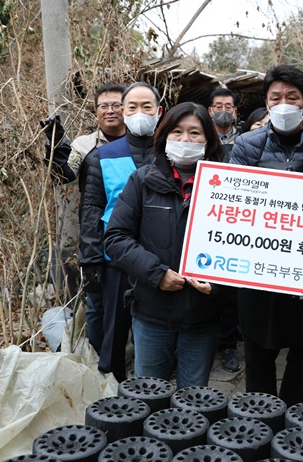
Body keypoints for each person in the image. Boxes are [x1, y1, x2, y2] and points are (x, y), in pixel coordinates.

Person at [229, 64, 303, 407]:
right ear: (266, 102)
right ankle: (261, 416)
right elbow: (235, 201)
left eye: (291, 97)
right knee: (258, 354)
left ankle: (293, 416)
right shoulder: (247, 144)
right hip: (258, 273)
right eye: (276, 97)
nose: (284, 103)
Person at [103, 102, 226, 389]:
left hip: (202, 316)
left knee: (194, 399)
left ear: (208, 140)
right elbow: (116, 238)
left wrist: (218, 284)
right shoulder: (142, 180)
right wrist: (157, 274)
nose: (185, 140)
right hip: (151, 313)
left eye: (195, 133)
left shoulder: (228, 188)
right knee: (148, 393)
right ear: (164, 136)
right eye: (177, 131)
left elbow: (243, 248)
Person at [80, 82, 163, 382]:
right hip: (115, 259)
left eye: (147, 107)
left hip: (161, 260)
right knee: (113, 331)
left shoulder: (170, 152)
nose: (140, 113)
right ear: (123, 112)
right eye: (132, 107)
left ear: (159, 111)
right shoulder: (102, 156)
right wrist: (90, 259)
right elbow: (91, 209)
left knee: (158, 333)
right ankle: (112, 390)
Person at [39, 83, 126, 354]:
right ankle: (102, 361)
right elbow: (64, 175)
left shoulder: (142, 141)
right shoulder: (85, 145)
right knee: (97, 302)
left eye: (116, 105)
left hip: (137, 232)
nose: (110, 111)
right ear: (96, 111)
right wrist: (56, 148)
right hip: (96, 232)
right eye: (104, 106)